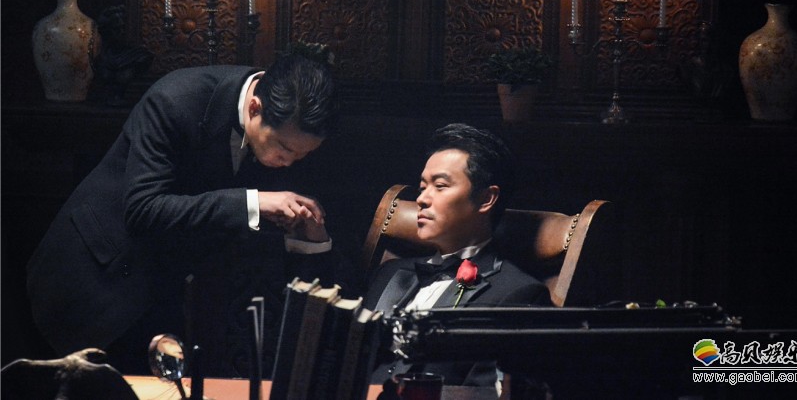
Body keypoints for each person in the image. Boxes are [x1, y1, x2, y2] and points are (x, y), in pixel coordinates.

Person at [26, 53, 341, 374]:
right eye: (285, 149)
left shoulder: (291, 128)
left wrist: (311, 240)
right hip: (92, 276)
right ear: (254, 108)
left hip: (168, 294)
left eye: (303, 154)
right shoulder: (174, 99)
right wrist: (252, 203)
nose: (290, 162)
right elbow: (143, 209)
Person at [363, 123, 551, 388]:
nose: (422, 199)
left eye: (440, 186)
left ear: (486, 199)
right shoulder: (389, 273)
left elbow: (487, 394)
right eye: (422, 187)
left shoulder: (519, 295)